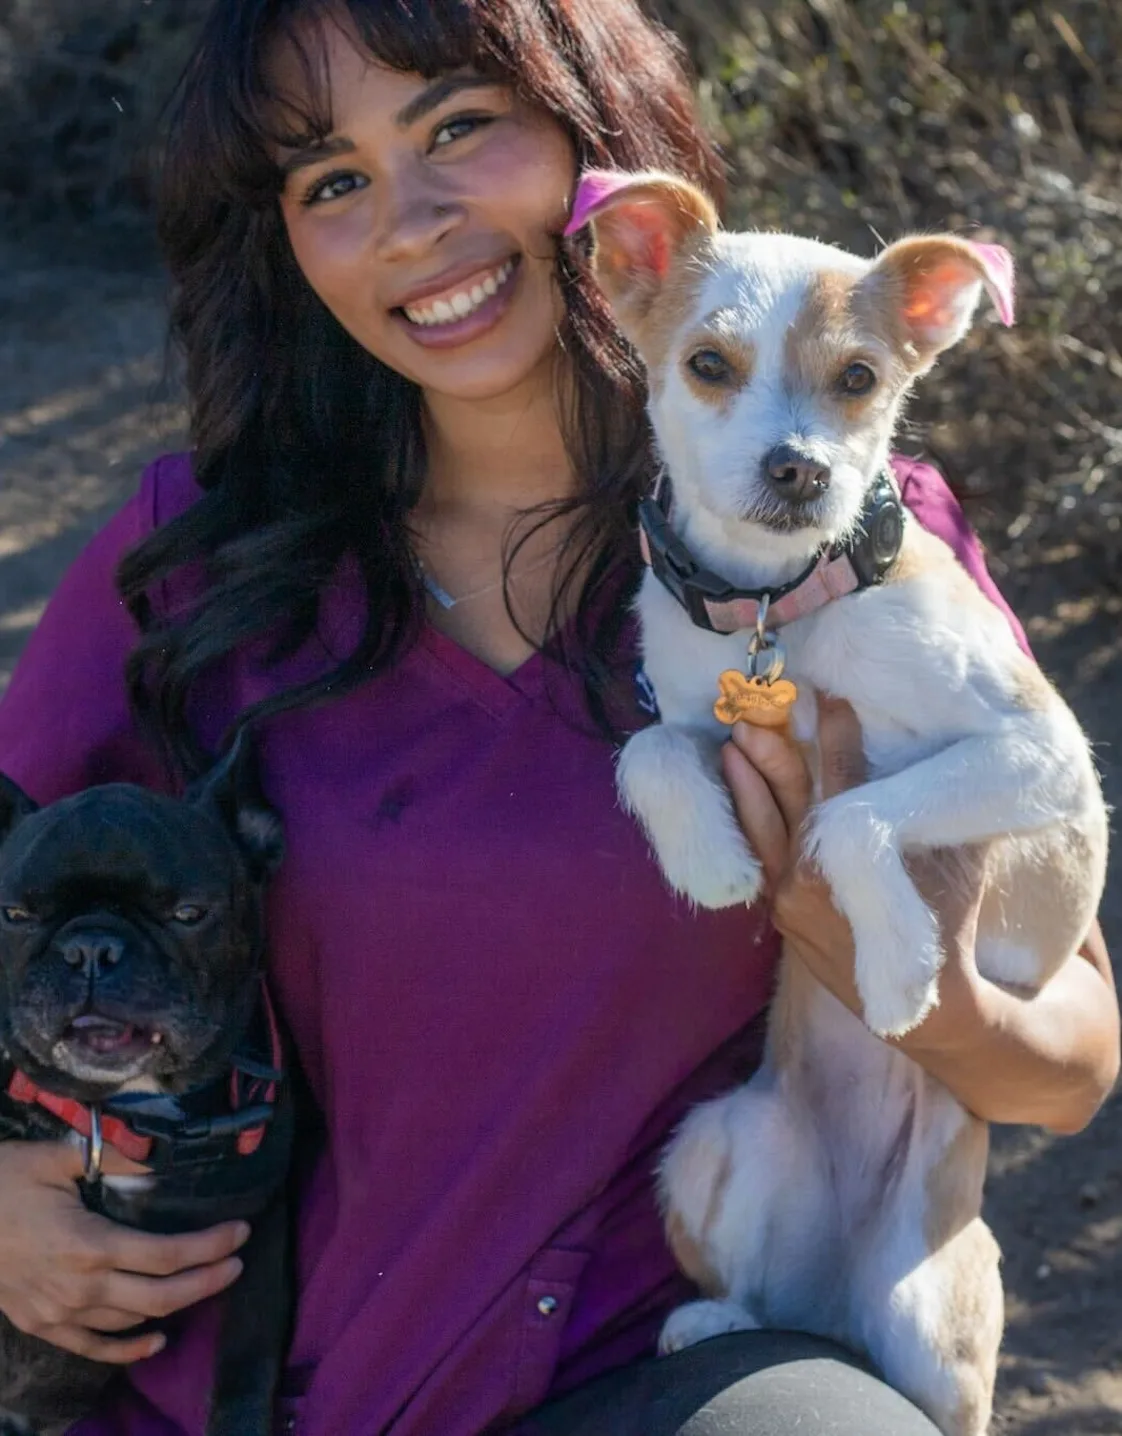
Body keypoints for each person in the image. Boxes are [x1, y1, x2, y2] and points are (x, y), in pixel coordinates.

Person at [0, 2, 1115, 1433]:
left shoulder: (851, 553)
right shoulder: (198, 566)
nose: (413, 221)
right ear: (284, 241)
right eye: (331, 181)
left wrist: (868, 932)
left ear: (600, 169)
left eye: (460, 127)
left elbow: (1074, 1063)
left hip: (656, 1372)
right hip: (262, 1390)